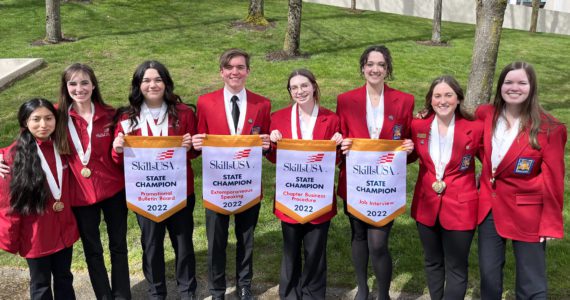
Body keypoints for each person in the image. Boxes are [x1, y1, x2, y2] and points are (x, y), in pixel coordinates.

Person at [476, 61, 566, 299]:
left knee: (531, 281)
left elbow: (554, 181)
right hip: (489, 209)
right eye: (508, 82)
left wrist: (550, 223)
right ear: (500, 86)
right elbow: (474, 144)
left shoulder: (550, 128)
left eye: (521, 83)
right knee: (488, 276)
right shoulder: (485, 114)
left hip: (528, 213)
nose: (514, 87)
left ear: (532, 87)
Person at [112, 60, 197, 300]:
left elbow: (193, 154)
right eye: (146, 80)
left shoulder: (184, 114)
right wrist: (117, 149)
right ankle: (156, 292)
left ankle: (187, 291)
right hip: (145, 193)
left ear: (166, 83)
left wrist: (191, 147)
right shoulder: (127, 117)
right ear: (138, 85)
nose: (152, 85)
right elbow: (120, 161)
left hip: (178, 191)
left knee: (183, 245)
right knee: (151, 246)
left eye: (158, 79)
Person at [336, 45, 414, 300]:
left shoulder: (404, 100)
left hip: (385, 185)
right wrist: (342, 144)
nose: (375, 69)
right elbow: (340, 141)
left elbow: (408, 147)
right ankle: (362, 288)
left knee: (378, 242)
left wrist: (410, 147)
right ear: (363, 68)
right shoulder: (346, 100)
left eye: (381, 64)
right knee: (358, 235)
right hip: (356, 181)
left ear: (387, 69)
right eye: (370, 64)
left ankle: (383, 294)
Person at [192, 48, 271, 300]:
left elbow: (268, 145)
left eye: (240, 67)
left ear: (248, 71)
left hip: (248, 184)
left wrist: (269, 143)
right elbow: (199, 141)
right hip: (217, 184)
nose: (234, 72)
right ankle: (217, 289)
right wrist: (196, 143)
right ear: (221, 72)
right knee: (216, 240)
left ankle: (244, 284)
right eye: (229, 67)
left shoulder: (262, 104)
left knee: (246, 238)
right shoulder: (205, 102)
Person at [57, 63, 131, 299]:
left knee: (118, 246)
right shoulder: (57, 116)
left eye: (84, 82)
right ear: (66, 87)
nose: (79, 88)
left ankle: (121, 295)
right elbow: (29, 134)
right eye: (73, 83)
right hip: (80, 195)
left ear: (94, 84)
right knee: (93, 250)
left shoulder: (110, 115)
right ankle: (104, 295)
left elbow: (119, 153)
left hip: (113, 191)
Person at [267, 69, 343, 299]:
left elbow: (337, 161)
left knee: (315, 251)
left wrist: (337, 145)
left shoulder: (331, 119)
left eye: (304, 85)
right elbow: (272, 158)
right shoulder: (278, 118)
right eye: (294, 88)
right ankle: (289, 294)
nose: (300, 91)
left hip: (319, 197)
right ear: (289, 92)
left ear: (314, 86)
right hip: (290, 196)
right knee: (290, 251)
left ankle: (313, 294)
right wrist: (272, 143)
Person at [410, 76, 483, 300]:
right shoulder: (418, 125)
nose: (443, 101)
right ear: (430, 100)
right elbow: (409, 155)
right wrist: (403, 150)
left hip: (461, 207)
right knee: (432, 262)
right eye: (437, 96)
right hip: (426, 205)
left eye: (448, 95)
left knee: (456, 267)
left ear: (458, 98)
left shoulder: (475, 128)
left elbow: (491, 162)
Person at [0, 98, 79, 299]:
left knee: (64, 278)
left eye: (48, 118)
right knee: (41, 285)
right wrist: (11, 238)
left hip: (63, 230)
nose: (43, 125)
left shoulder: (62, 146)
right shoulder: (11, 157)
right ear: (25, 121)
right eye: (36, 119)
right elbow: (7, 203)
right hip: (36, 235)